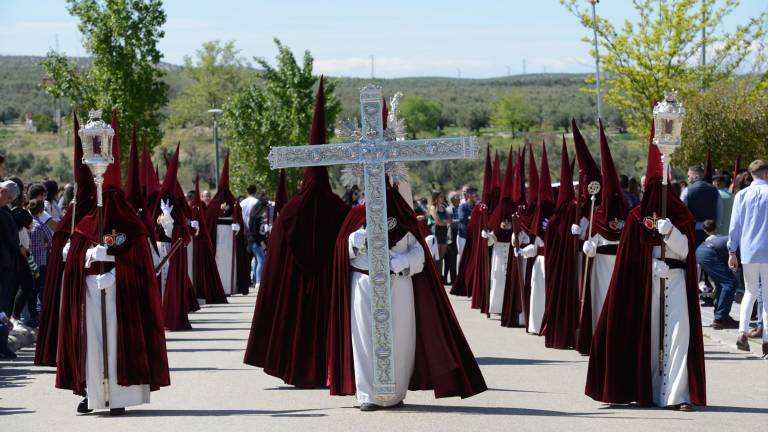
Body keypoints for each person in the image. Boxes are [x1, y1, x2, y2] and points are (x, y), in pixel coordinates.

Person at [327, 178, 487, 411]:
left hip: (399, 284)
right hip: (364, 283)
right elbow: (342, 249)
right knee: (364, 338)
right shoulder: (357, 215)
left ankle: (394, 393)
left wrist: (400, 262)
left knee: (401, 338)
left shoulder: (403, 216)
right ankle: (368, 395)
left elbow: (419, 253)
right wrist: (360, 237)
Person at [56, 113, 169, 415]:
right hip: (91, 294)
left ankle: (118, 395)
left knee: (118, 342)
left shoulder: (128, 220)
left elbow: (137, 258)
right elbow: (77, 254)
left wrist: (117, 268)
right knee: (91, 342)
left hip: (121, 297)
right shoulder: (85, 219)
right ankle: (91, 391)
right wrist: (81, 256)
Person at [244, 78, 350, 388]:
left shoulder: (289, 212)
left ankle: (295, 366)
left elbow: (277, 264)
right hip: (330, 289)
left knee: (297, 319)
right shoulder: (339, 210)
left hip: (297, 290)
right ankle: (331, 368)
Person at [585, 139, 706, 411]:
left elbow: (687, 251)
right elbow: (629, 259)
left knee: (677, 336)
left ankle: (677, 395)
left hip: (675, 282)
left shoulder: (681, 215)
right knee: (650, 342)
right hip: (647, 286)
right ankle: (648, 390)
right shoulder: (636, 217)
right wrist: (649, 267)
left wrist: (671, 233)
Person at [575, 122, 629, 354]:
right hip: (601, 266)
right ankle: (599, 335)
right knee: (599, 298)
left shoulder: (625, 217)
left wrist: (590, 245)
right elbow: (591, 244)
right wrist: (588, 245)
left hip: (619, 264)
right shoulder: (597, 216)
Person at [728, 160, 768, 356]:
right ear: (766, 174)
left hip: (749, 250)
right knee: (767, 295)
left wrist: (731, 251)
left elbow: (734, 226)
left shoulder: (741, 195)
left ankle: (742, 332)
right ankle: (767, 338)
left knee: (750, 292)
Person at [520, 142, 554, 335]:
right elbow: (534, 246)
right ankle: (535, 324)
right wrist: (523, 251)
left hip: (551, 262)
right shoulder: (538, 220)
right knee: (537, 292)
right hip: (540, 262)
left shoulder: (556, 219)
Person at [205, 154, 250, 296]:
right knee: (219, 260)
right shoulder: (214, 204)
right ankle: (220, 287)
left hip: (231, 236)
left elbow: (238, 216)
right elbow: (210, 220)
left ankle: (232, 287)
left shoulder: (234, 202)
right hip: (218, 235)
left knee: (232, 262)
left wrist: (236, 223)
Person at [485, 146, 515, 315]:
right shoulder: (499, 211)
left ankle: (507, 308)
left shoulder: (514, 208)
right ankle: (495, 307)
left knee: (508, 278)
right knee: (497, 277)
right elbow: (492, 236)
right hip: (498, 250)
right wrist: (488, 235)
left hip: (510, 250)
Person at [696, 219, 738, 329]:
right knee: (730, 283)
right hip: (708, 252)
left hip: (703, 250)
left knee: (722, 284)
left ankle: (720, 315)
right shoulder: (743, 243)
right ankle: (720, 319)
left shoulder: (738, 239)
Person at [681, 165, 722, 247]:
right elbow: (720, 211)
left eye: (689, 176)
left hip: (693, 231)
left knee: (694, 256)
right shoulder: (715, 190)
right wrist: (716, 227)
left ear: (695, 176)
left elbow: (681, 212)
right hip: (710, 230)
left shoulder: (687, 191)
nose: (688, 179)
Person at [27, 198, 53, 328]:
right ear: (42, 210)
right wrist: (45, 244)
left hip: (27, 262)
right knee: (39, 289)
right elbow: (52, 239)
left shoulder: (25, 224)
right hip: (40, 263)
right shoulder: (41, 226)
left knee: (29, 290)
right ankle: (38, 316)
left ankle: (31, 316)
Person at [0, 180, 20, 317]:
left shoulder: (5, 211)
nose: (8, 202)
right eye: (8, 199)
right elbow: (11, 239)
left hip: (6, 263)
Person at [247, 200, 268, 287]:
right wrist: (263, 244)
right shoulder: (258, 218)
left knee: (257, 261)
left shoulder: (254, 217)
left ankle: (256, 280)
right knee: (261, 261)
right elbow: (257, 233)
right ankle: (259, 281)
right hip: (256, 242)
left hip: (253, 242)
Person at [428, 190, 450, 270]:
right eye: (440, 196)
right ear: (436, 197)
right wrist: (444, 221)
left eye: (443, 196)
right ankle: (435, 279)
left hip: (444, 233)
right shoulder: (433, 208)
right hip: (436, 233)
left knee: (441, 258)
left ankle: (440, 279)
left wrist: (443, 221)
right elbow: (438, 222)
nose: (443, 198)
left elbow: (450, 220)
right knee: (434, 258)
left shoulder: (444, 207)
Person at [443, 192, 460, 285]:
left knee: (453, 259)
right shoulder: (449, 209)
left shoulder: (459, 208)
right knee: (450, 259)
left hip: (458, 234)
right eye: (458, 197)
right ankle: (451, 279)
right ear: (453, 199)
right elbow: (450, 222)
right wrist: (462, 221)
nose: (460, 198)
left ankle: (453, 279)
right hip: (451, 236)